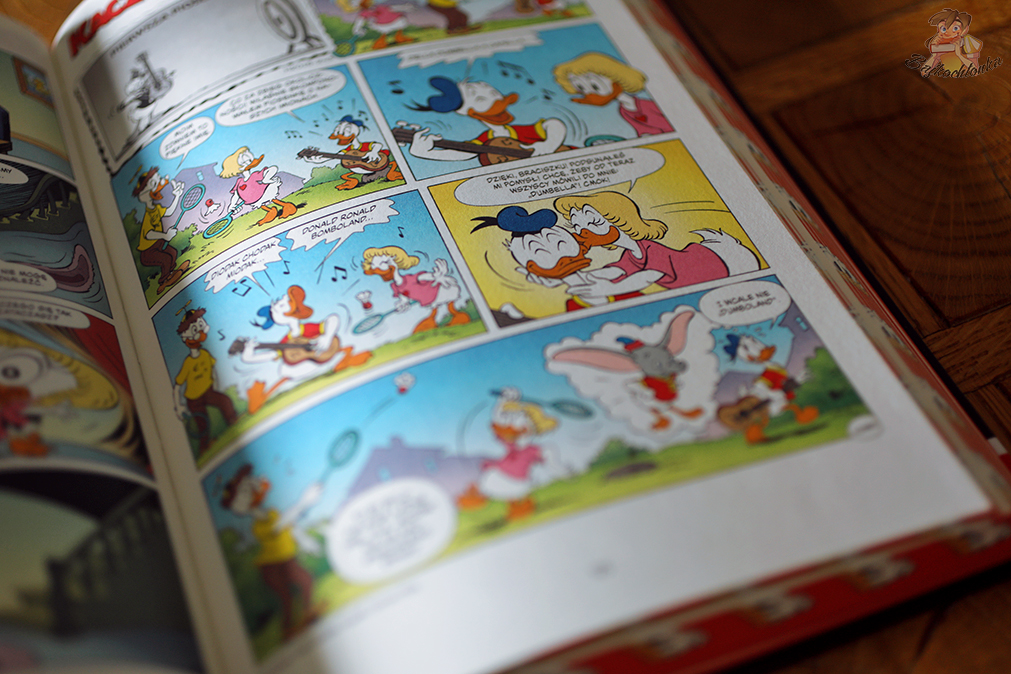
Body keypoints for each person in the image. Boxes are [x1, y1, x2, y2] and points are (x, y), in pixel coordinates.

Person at [220, 464, 324, 639]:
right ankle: (287, 630)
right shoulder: (257, 525)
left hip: (287, 558)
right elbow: (280, 525)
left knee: (306, 580)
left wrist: (306, 541)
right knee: (286, 598)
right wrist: (304, 502)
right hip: (271, 566)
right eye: (245, 490)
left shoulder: (272, 512)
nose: (253, 487)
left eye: (250, 484)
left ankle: (308, 613)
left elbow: (289, 526)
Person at [553, 52, 673, 136]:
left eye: (594, 86)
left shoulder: (648, 105)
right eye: (581, 88)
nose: (589, 93)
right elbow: (642, 131)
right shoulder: (624, 110)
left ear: (615, 78)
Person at [173, 308, 237, 454]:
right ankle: (204, 447)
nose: (199, 334)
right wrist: (178, 406)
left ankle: (233, 422)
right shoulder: (188, 363)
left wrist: (218, 386)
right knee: (202, 426)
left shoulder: (205, 354)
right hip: (193, 399)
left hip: (208, 391)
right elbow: (177, 386)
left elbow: (213, 370)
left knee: (225, 401)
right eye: (194, 330)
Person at [133, 167, 188, 294]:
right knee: (166, 259)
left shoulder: (156, 208)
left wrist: (177, 196)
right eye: (152, 184)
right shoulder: (148, 214)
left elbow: (169, 212)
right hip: (148, 252)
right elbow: (148, 234)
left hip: (158, 244)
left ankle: (171, 273)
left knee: (173, 252)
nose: (156, 187)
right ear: (142, 195)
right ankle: (164, 280)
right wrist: (165, 236)